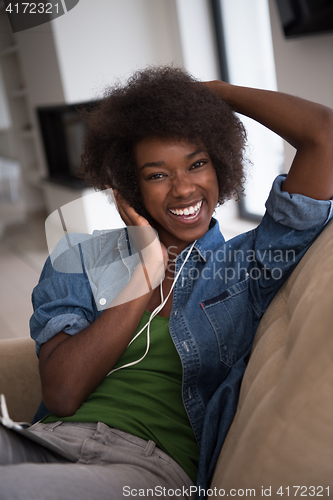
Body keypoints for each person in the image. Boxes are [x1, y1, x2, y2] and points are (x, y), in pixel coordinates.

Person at [1, 66, 333, 500]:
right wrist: (144, 272)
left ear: (220, 166)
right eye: (157, 174)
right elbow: (63, 391)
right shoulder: (80, 257)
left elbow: (324, 135)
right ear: (129, 186)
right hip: (45, 441)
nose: (183, 189)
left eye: (197, 164)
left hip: (146, 469)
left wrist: (214, 95)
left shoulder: (248, 266)